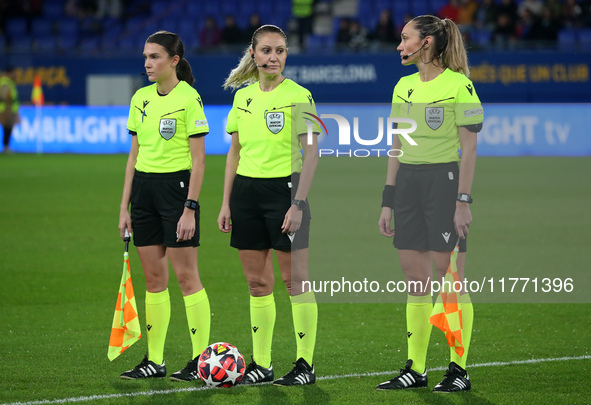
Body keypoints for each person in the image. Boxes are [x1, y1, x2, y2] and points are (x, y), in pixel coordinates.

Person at [377, 15, 483, 393]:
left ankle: (458, 369)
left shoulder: (459, 86)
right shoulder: (402, 87)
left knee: (449, 279)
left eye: (405, 39)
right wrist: (388, 200)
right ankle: (416, 369)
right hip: (407, 184)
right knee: (415, 280)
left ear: (426, 43)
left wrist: (462, 202)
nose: (399, 45)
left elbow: (469, 150)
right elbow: (396, 146)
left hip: (444, 183)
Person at [218, 24, 320, 386]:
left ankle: (304, 365)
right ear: (253, 54)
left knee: (295, 282)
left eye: (279, 51)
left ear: (286, 55)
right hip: (246, 193)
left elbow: (312, 154)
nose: (272, 57)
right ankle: (262, 365)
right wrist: (226, 202)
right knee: (257, 283)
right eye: (266, 51)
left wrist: (299, 204)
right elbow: (234, 153)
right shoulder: (242, 98)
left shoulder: (300, 96)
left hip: (285, 192)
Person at [118, 30, 210, 382]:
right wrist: (124, 206)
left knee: (187, 278)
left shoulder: (190, 99)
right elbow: (133, 156)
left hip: (176, 190)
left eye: (154, 57)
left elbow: (199, 162)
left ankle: (200, 361)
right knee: (154, 280)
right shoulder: (140, 98)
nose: (147, 63)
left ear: (174, 60)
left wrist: (190, 207)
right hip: (143, 191)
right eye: (145, 57)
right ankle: (154, 360)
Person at [0, 66, 20, 154]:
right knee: (7, 128)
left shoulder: (10, 82)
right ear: (9, 73)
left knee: (8, 128)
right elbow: (4, 96)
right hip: (6, 109)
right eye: (14, 73)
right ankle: (6, 147)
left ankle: (6, 146)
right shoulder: (5, 82)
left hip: (10, 109)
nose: (15, 75)